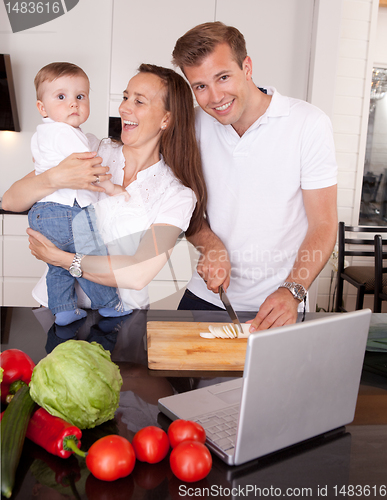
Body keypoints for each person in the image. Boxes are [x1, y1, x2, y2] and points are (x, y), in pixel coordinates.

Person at [172, 22, 338, 331]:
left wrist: (294, 290)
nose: (215, 97)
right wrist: (211, 246)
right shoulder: (192, 126)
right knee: (172, 377)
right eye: (200, 86)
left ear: (247, 67)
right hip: (208, 296)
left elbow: (324, 224)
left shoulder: (308, 123)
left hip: (281, 302)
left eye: (223, 77)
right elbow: (186, 210)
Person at [2, 64, 206, 311]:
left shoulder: (178, 194)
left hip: (121, 318)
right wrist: (55, 178)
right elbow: (10, 201)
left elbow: (138, 273)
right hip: (55, 308)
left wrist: (61, 259)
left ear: (166, 118)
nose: (124, 107)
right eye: (125, 97)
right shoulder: (90, 149)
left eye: (139, 101)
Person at [28, 62, 128, 326]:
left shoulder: (42, 134)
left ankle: (62, 310)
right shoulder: (66, 133)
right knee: (88, 259)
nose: (73, 104)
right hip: (67, 211)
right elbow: (90, 168)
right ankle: (109, 305)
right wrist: (111, 188)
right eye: (61, 97)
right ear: (42, 107)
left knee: (58, 263)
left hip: (41, 212)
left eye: (80, 96)